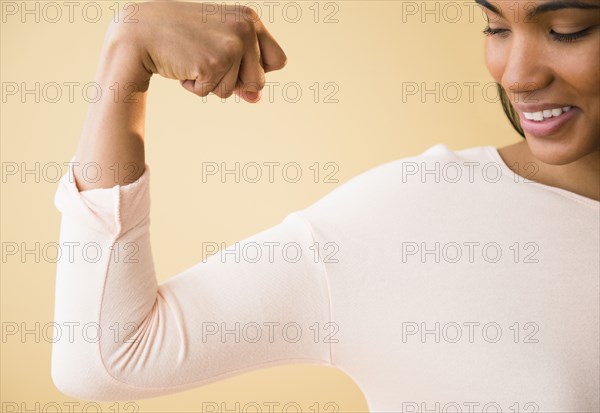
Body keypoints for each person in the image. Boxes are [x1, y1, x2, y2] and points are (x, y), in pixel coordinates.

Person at [51, 1, 600, 411]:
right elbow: (106, 356)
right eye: (496, 27)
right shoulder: (416, 218)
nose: (518, 75)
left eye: (568, 30)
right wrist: (124, 59)